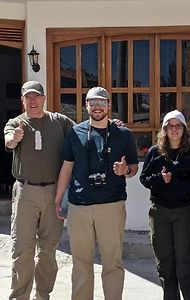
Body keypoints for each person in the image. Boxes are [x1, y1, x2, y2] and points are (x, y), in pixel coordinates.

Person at [54, 86, 139, 300]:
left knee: (112, 263)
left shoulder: (123, 135)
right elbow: (67, 166)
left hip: (111, 206)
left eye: (102, 102)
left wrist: (125, 170)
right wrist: (58, 199)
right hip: (79, 207)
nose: (97, 107)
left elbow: (133, 167)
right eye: (93, 102)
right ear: (86, 106)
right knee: (81, 264)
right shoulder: (75, 132)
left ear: (109, 106)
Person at [3, 80, 75, 300]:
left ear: (44, 98)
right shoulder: (16, 123)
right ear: (22, 101)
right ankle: (20, 296)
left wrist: (112, 124)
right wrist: (14, 139)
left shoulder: (60, 121)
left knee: (47, 251)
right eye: (28, 97)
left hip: (55, 192)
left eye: (37, 96)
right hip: (26, 193)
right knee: (22, 249)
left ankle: (42, 295)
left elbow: (84, 131)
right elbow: (8, 141)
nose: (33, 101)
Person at [139, 110, 190, 300]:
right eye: (170, 126)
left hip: (184, 211)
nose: (174, 130)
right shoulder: (155, 152)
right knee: (165, 261)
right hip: (159, 211)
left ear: (184, 129)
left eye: (178, 126)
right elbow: (144, 179)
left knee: (186, 260)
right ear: (165, 129)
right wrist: (160, 179)